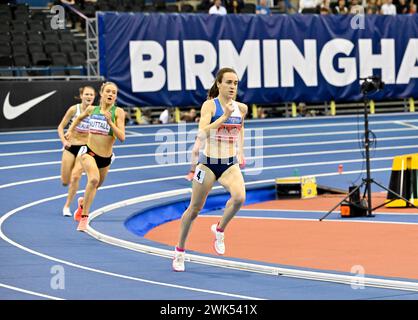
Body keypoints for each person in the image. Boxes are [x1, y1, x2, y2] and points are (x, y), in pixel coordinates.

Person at [173, 67, 247, 272]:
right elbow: (202, 132)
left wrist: (241, 151)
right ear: (219, 84)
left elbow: (241, 129)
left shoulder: (242, 108)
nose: (233, 87)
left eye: (236, 83)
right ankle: (179, 251)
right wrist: (223, 117)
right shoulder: (209, 106)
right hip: (207, 164)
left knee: (239, 198)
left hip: (229, 164)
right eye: (229, 82)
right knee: (194, 209)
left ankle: (220, 229)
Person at [65, 82, 125, 231]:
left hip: (106, 158)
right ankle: (84, 218)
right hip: (88, 153)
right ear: (102, 94)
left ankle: (82, 204)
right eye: (108, 92)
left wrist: (110, 122)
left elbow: (122, 137)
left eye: (114, 93)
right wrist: (70, 131)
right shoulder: (92, 109)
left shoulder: (118, 112)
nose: (111, 94)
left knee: (96, 186)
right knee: (93, 179)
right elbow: (78, 118)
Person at [57, 86, 96, 217]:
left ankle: (67, 206)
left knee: (75, 176)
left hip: (84, 148)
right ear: (81, 96)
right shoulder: (74, 109)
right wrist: (64, 141)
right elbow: (61, 127)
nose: (89, 97)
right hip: (70, 146)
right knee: (65, 180)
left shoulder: (96, 112)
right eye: (87, 94)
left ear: (94, 97)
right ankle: (65, 181)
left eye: (91, 95)